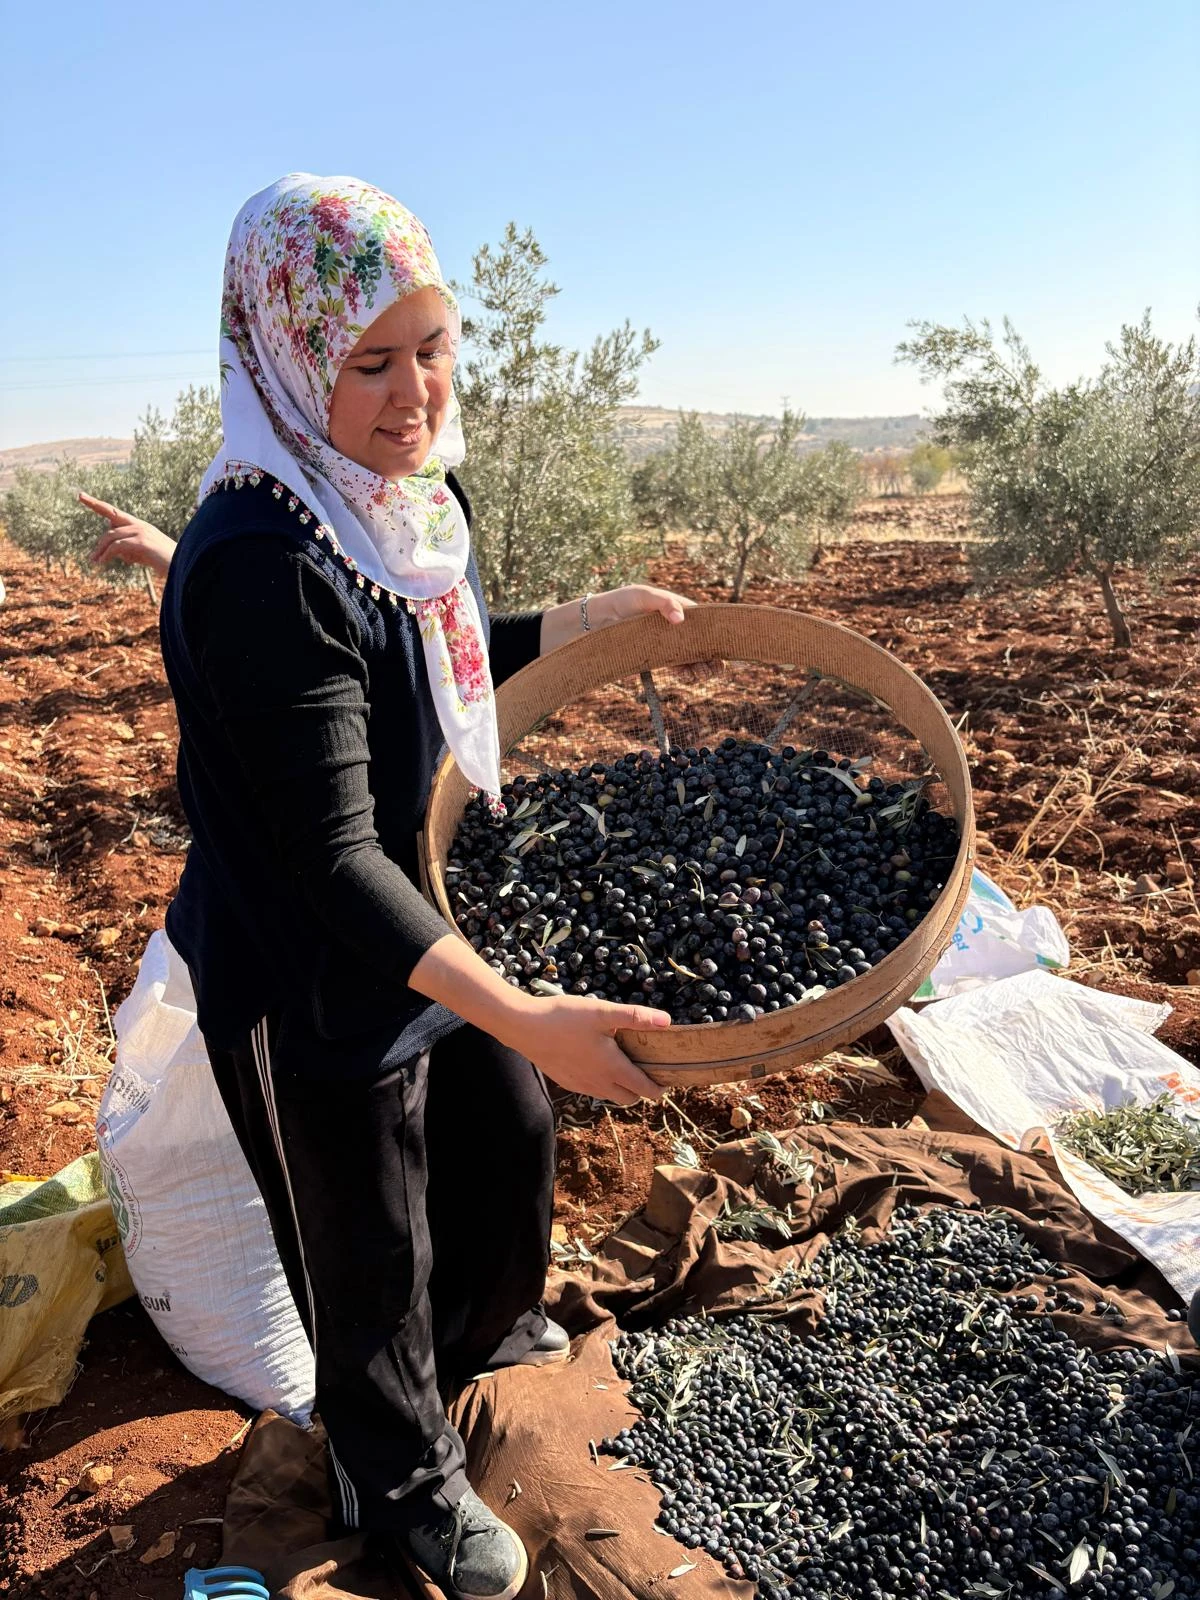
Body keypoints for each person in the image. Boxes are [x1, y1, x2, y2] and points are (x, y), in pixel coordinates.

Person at [152, 173, 693, 1600]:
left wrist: (586, 619)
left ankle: (471, 1349)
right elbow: (330, 861)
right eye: (371, 362)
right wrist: (527, 1013)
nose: (415, 392)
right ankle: (392, 1474)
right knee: (364, 1242)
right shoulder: (257, 563)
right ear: (287, 360)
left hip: (424, 908)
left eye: (434, 346)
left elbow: (431, 647)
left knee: (506, 1137)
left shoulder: (405, 496)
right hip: (306, 964)